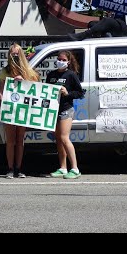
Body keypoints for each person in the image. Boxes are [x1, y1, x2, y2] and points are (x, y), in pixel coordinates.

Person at [0, 43, 40, 179]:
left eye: (17, 54)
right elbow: (1, 93)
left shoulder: (30, 72)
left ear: (21, 55)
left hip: (23, 110)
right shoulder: (5, 71)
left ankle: (19, 168)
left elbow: (36, 90)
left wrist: (24, 80)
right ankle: (9, 168)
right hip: (9, 109)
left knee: (20, 140)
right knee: (10, 140)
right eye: (12, 54)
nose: (14, 56)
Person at [46, 50, 85, 179]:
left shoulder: (71, 75)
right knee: (58, 139)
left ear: (68, 62)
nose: (60, 61)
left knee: (64, 137)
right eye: (58, 59)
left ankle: (75, 168)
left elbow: (80, 93)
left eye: (63, 60)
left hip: (66, 109)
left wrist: (67, 93)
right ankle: (63, 167)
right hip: (54, 110)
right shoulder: (51, 75)